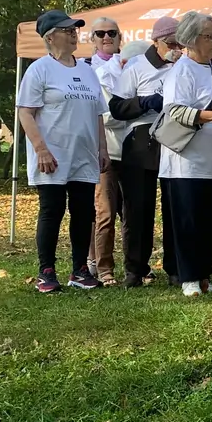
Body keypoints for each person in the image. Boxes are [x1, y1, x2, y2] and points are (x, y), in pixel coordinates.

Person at [17, 10, 108, 292]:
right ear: (49, 36)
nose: (73, 33)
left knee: (83, 212)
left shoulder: (87, 70)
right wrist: (40, 149)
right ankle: (47, 271)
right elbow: (25, 113)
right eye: (67, 29)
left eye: (75, 29)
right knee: (52, 211)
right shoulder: (40, 69)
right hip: (53, 155)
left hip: (83, 154)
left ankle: (80, 269)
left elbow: (97, 114)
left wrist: (102, 148)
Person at [159, 12, 212, 297]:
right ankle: (187, 277)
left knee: (208, 221)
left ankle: (204, 276)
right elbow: (175, 111)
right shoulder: (182, 70)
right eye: (209, 36)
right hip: (186, 163)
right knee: (188, 221)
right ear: (191, 40)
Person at [108, 16, 181, 286]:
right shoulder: (137, 66)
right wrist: (144, 102)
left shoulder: (184, 65)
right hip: (141, 138)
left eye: (180, 44)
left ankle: (176, 268)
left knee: (175, 205)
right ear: (156, 41)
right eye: (171, 43)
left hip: (175, 136)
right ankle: (135, 269)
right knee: (138, 207)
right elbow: (117, 107)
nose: (176, 48)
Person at [87, 16, 125, 287]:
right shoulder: (85, 70)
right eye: (100, 33)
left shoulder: (132, 65)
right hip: (103, 150)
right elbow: (104, 114)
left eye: (112, 32)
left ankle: (138, 265)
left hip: (134, 150)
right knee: (105, 212)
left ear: (120, 37)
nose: (106, 37)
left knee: (133, 213)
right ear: (92, 39)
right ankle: (103, 267)